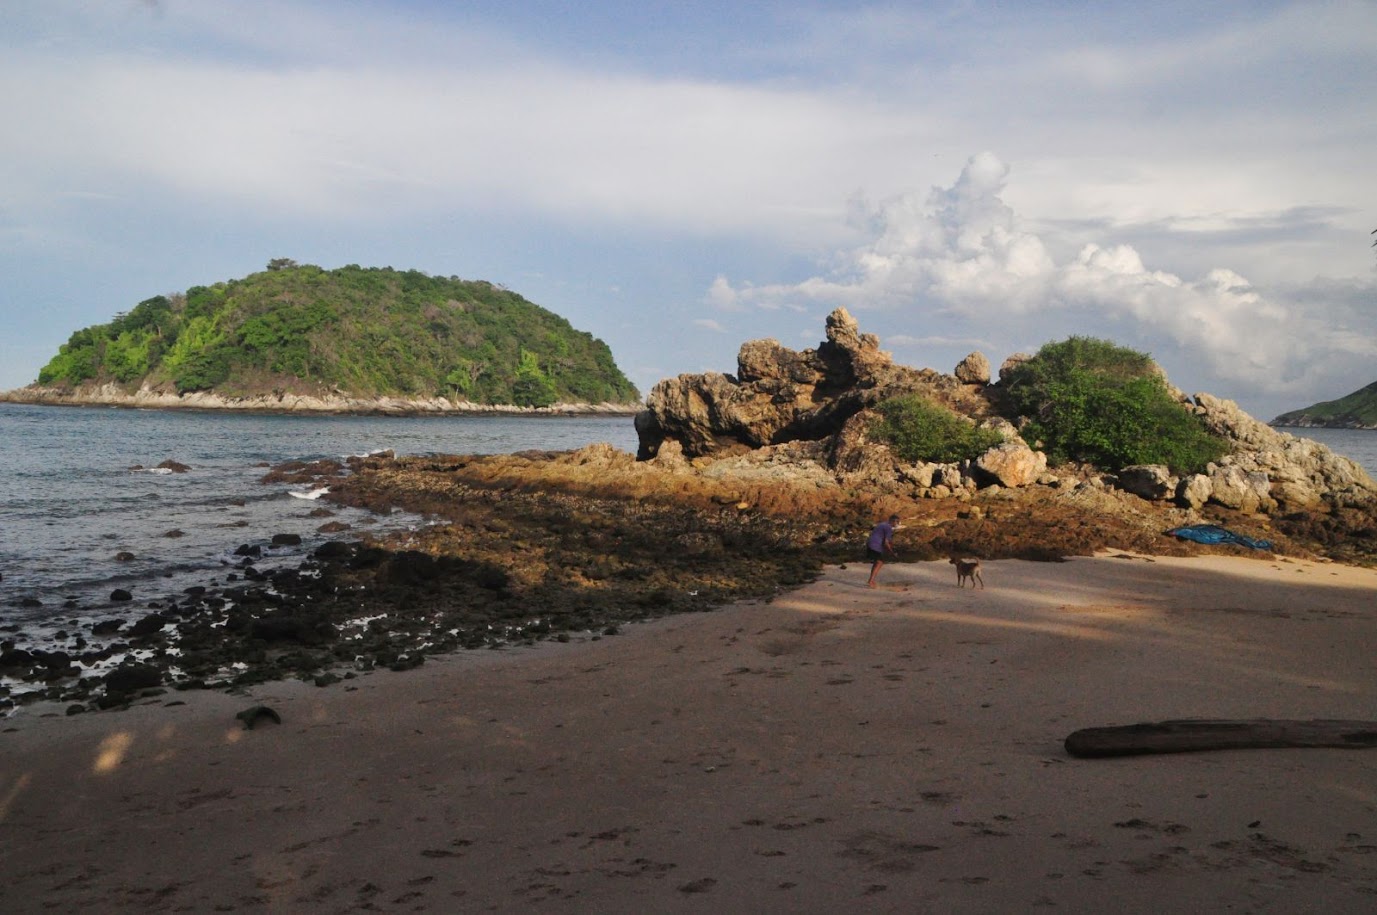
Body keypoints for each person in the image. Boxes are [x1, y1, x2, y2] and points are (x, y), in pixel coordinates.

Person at [865, 514, 900, 588]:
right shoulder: (888, 527)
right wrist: (892, 553)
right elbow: (886, 542)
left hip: (870, 544)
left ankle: (871, 580)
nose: (898, 524)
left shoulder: (882, 524)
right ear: (893, 521)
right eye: (897, 522)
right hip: (875, 545)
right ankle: (871, 581)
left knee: (877, 562)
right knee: (879, 562)